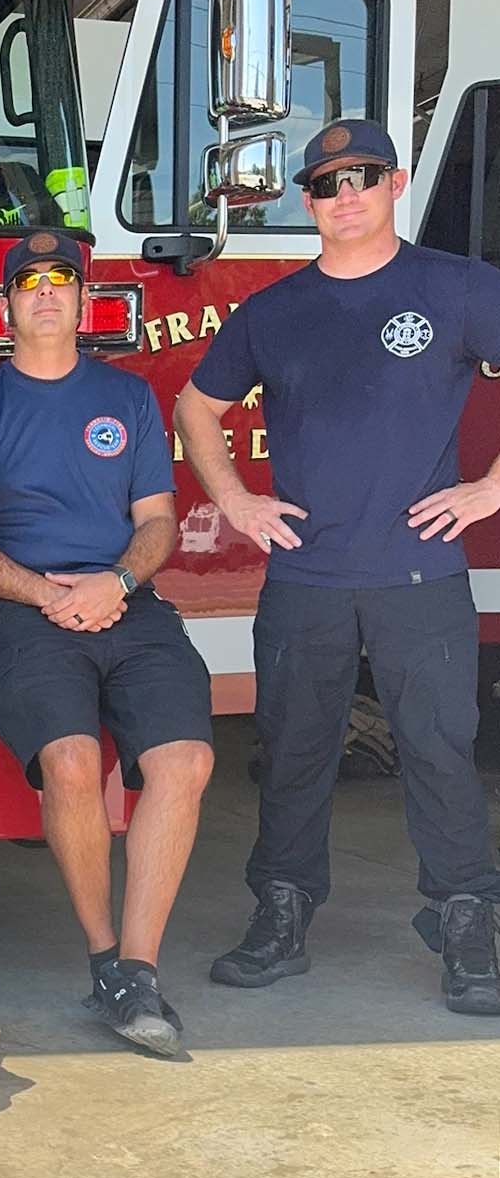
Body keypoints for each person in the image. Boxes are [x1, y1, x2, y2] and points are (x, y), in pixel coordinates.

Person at [175, 120, 500, 1015]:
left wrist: (486, 490)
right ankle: (281, 914)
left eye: (361, 175)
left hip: (419, 576)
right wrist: (236, 501)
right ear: (307, 203)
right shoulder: (276, 311)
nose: (343, 193)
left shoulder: (457, 286)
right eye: (324, 183)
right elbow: (195, 406)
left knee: (439, 751)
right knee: (293, 756)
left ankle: (469, 920)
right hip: (306, 580)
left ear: (395, 184)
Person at [0, 229, 213, 1056]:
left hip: (127, 602)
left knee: (187, 761)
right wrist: (42, 591)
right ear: (6, 305)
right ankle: (103, 956)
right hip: (24, 613)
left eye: (63, 278)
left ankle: (139, 967)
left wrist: (119, 584)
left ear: (83, 295)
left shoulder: (129, 398)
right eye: (30, 281)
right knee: (69, 761)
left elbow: (158, 521)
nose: (48, 292)